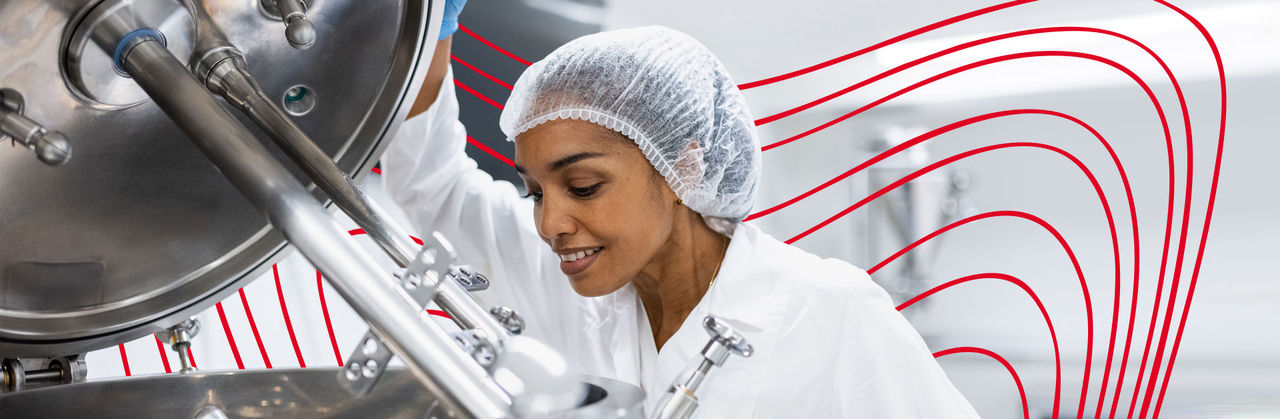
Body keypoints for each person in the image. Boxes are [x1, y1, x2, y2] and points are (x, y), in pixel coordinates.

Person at [384, 3, 979, 417]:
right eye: (536, 191)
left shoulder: (829, 311)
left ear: (684, 167)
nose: (549, 224)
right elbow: (432, 184)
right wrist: (428, 24)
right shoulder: (565, 283)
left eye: (584, 185)